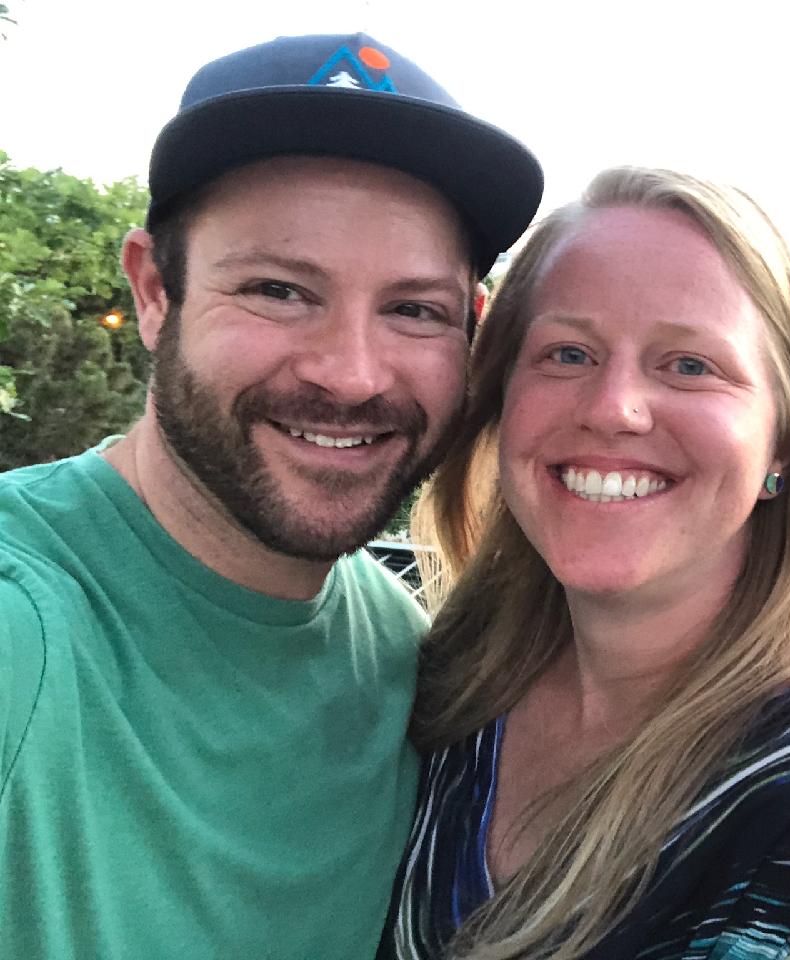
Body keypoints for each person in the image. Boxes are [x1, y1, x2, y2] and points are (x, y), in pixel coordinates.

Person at [0, 33, 542, 959]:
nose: (351, 375)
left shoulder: (403, 657)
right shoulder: (23, 627)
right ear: (154, 292)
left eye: (413, 309)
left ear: (471, 333)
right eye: (280, 290)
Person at [386, 168, 790, 959]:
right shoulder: (451, 690)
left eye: (690, 365)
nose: (613, 408)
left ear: (783, 445)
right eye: (568, 353)